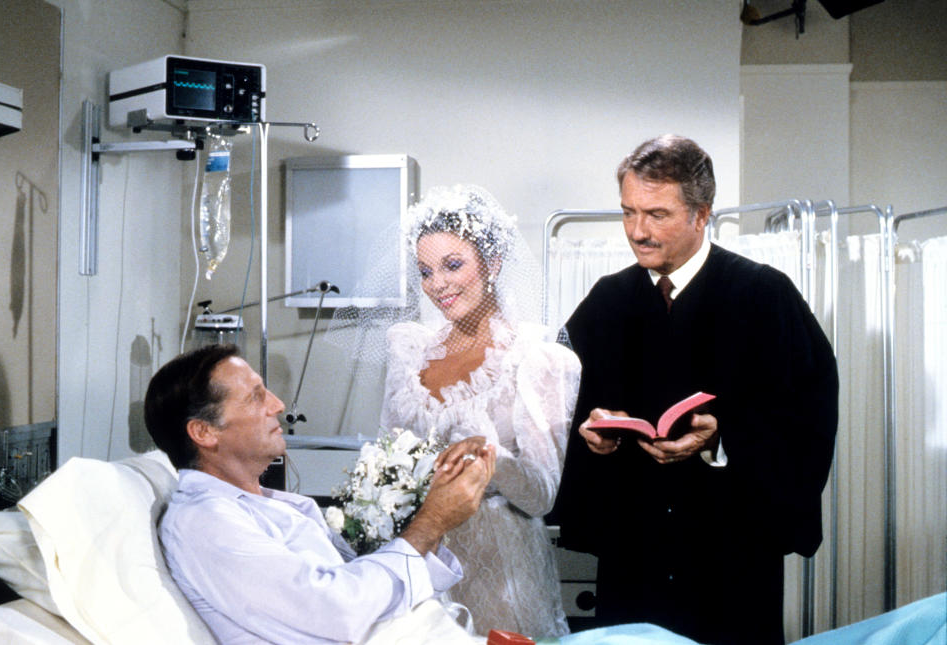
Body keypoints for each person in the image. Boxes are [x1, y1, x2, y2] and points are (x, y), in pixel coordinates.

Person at [551, 135, 838, 645]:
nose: (637, 231)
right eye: (628, 212)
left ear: (701, 215)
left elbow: (807, 417)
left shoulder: (763, 295)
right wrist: (590, 432)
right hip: (633, 556)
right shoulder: (608, 299)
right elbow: (560, 400)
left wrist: (723, 439)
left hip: (730, 562)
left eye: (657, 215)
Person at [334, 185, 581, 638]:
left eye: (452, 265)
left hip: (500, 574)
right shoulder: (408, 351)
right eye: (426, 272)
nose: (437, 285)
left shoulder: (538, 359)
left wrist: (488, 455)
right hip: (418, 566)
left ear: (493, 263)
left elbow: (541, 495)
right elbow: (391, 453)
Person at [143, 343, 496, 644]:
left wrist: (446, 488)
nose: (278, 404)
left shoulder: (262, 504)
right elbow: (338, 611)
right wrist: (432, 520)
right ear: (204, 432)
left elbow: (365, 589)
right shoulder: (204, 523)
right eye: (255, 397)